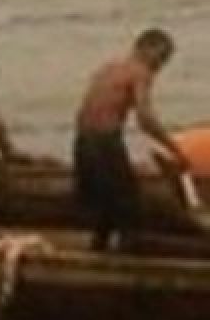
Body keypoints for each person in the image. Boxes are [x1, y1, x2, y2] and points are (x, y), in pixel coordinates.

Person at [74, 28, 189, 251]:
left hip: (82, 142)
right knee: (128, 206)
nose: (160, 66)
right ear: (146, 48)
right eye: (161, 57)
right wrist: (175, 149)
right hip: (104, 142)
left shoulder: (109, 68)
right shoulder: (140, 72)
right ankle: (129, 261)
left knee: (104, 205)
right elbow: (145, 120)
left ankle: (98, 251)